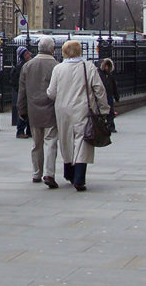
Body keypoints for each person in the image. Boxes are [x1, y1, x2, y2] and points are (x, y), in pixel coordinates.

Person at [46, 40, 110, 192]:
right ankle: (79, 178)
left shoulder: (58, 68)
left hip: (62, 109)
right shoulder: (88, 67)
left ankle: (69, 172)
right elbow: (99, 89)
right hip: (83, 108)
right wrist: (104, 108)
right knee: (82, 140)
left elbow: (51, 92)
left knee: (66, 139)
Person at [16, 36, 59, 188]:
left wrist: (21, 109)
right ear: (52, 49)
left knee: (36, 143)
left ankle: (36, 173)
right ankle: (49, 173)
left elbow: (22, 91)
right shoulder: (56, 66)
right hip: (51, 109)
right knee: (51, 142)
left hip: (33, 109)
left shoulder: (28, 66)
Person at [14, 46, 32, 138]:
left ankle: (29, 130)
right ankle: (20, 131)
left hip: (25, 91)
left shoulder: (25, 64)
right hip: (23, 91)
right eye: (27, 53)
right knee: (23, 111)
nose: (29, 54)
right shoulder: (22, 66)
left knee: (28, 111)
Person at [98, 58, 120, 133]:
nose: (107, 68)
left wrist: (116, 97)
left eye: (108, 66)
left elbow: (114, 87)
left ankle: (111, 126)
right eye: (106, 66)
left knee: (110, 112)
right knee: (102, 113)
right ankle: (103, 126)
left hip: (109, 97)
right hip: (102, 97)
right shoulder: (99, 74)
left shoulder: (110, 76)